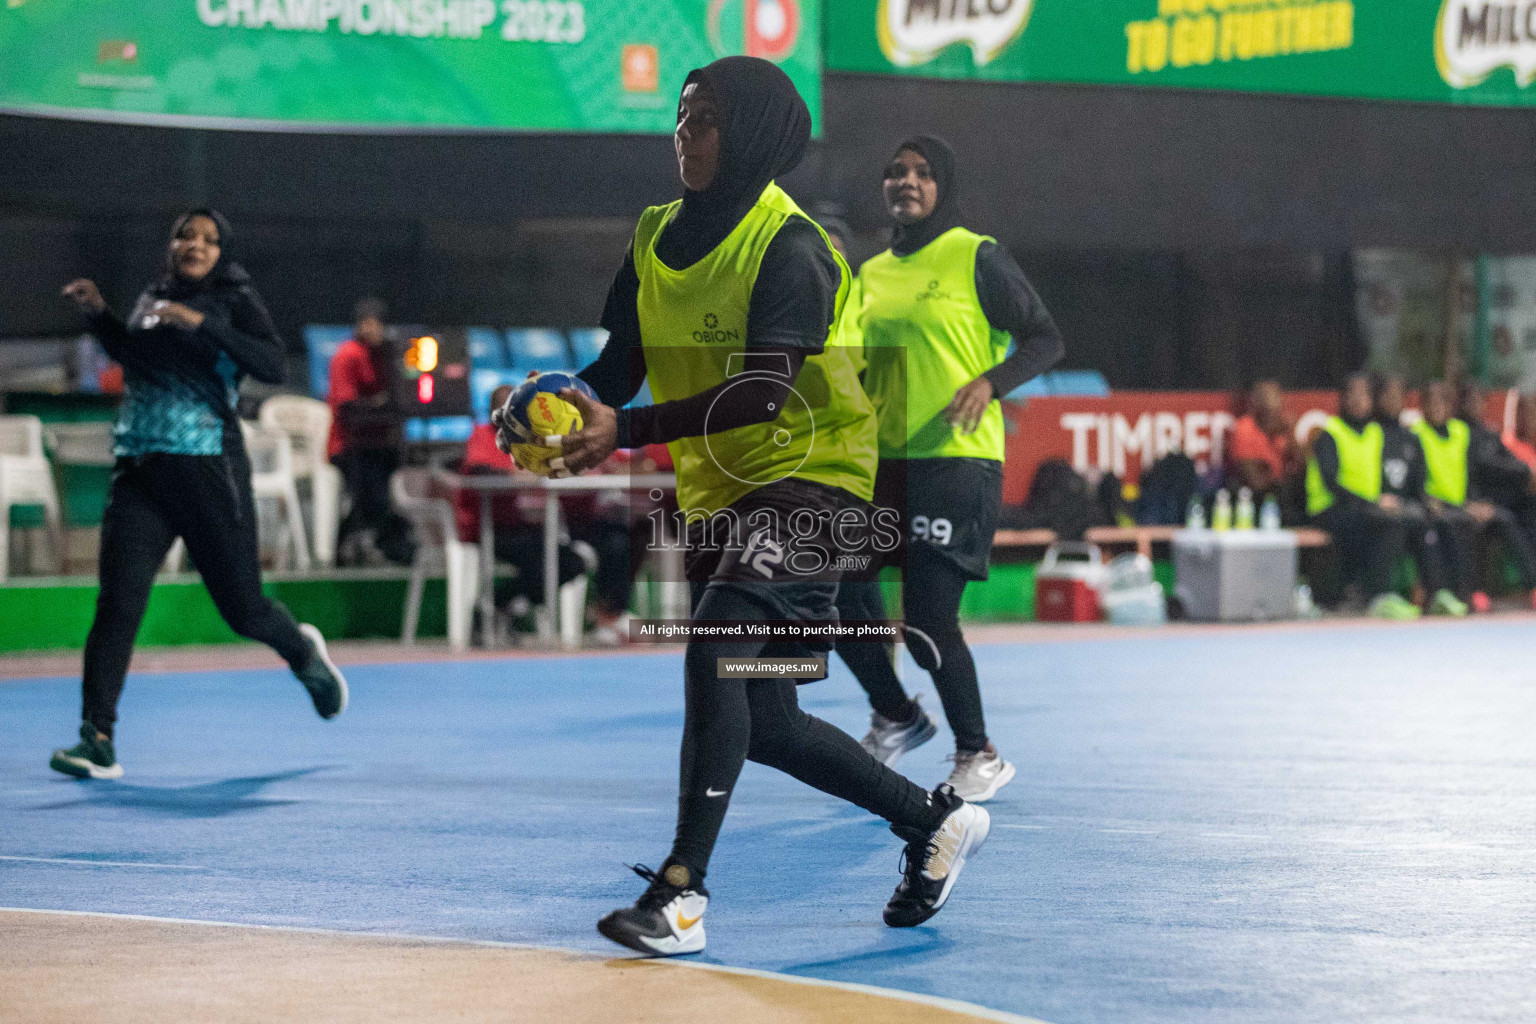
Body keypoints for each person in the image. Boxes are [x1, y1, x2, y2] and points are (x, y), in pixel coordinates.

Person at [523, 57, 989, 957]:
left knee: (715, 645)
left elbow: (761, 396)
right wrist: (560, 409)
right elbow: (623, 363)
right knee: (765, 717)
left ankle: (681, 894)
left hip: (816, 477)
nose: (683, 133)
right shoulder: (656, 232)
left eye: (703, 119)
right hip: (721, 491)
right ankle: (933, 823)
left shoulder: (795, 248)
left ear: (754, 138)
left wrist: (620, 430)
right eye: (682, 115)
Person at [52, 208, 347, 780]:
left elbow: (267, 361)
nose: (195, 245)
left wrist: (199, 322)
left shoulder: (235, 299)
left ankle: (303, 654)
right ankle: (98, 739)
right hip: (141, 472)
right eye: (186, 235)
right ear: (171, 243)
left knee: (243, 610)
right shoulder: (151, 297)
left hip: (209, 475)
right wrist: (99, 316)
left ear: (222, 253)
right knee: (117, 606)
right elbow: (140, 358)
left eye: (209, 240)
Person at [832, 135, 1063, 800]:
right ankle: (897, 715)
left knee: (928, 621)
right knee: (840, 596)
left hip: (957, 460)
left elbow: (1046, 338)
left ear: (944, 187)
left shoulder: (974, 255)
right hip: (881, 461)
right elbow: (854, 368)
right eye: (895, 170)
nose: (906, 182)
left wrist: (992, 382)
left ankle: (979, 753)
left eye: (923, 173)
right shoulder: (870, 276)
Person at [453, 383, 587, 630]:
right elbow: (479, 470)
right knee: (540, 565)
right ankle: (495, 610)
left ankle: (501, 606)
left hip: (520, 525)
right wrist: (514, 476)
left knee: (572, 563)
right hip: (485, 529)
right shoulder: (482, 435)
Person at [1304, 373, 1420, 619]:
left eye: (1364, 395)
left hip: (1364, 510)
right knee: (1382, 524)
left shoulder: (1375, 434)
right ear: (1342, 399)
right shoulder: (1329, 434)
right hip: (1328, 509)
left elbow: (1386, 475)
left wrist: (1388, 500)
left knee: (1402, 519)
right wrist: (1372, 504)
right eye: (1352, 394)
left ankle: (1392, 592)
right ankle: (1377, 595)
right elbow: (1331, 483)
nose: (1358, 400)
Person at [326, 297, 414, 565]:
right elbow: (346, 405)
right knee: (370, 497)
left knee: (378, 497)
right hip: (349, 445)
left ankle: (376, 545)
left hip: (382, 443)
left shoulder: (389, 355)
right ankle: (358, 547)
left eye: (375, 324)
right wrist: (379, 404)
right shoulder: (348, 355)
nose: (370, 329)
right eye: (365, 323)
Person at [1375, 375, 1464, 616]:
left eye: (1398, 397)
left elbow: (1417, 483)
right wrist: (1375, 498)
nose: (1394, 402)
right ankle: (1383, 596)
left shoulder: (1410, 439)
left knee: (1431, 522)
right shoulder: (1372, 433)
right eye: (1388, 396)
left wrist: (1426, 502)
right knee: (1398, 522)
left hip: (1406, 506)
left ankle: (1438, 594)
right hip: (1374, 505)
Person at [1456, 382, 1536, 607]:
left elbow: (1507, 461)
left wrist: (1528, 474)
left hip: (1494, 499)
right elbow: (1480, 465)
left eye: (1479, 400)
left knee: (1531, 505)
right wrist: (1473, 502)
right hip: (1472, 501)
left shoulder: (1489, 433)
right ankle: (1530, 584)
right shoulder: (1459, 432)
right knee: (1503, 519)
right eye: (1470, 400)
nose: (1475, 405)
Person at [1228, 380, 1303, 522]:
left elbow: (1304, 471)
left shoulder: (1286, 430)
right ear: (1255, 402)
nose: (1271, 405)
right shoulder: (1244, 428)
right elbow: (1255, 481)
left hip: (1287, 500)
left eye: (1275, 398)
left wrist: (1292, 436)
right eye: (1265, 398)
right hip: (1253, 501)